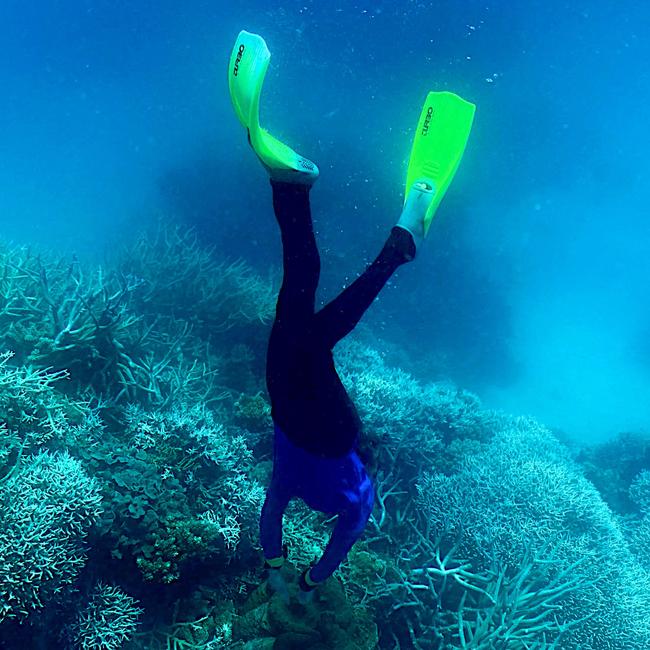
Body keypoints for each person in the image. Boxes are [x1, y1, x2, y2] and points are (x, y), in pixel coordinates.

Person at [227, 30, 475, 601]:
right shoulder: (287, 483)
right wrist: (281, 571)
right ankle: (294, 192)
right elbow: (270, 522)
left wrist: (310, 580)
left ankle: (390, 242)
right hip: (286, 406)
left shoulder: (355, 499)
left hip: (333, 431)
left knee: (314, 330)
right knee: (299, 304)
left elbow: (344, 540)